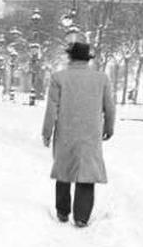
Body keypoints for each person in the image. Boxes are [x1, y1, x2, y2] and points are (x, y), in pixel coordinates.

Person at [41, 41, 115, 228]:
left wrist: (47, 132)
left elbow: (51, 109)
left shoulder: (59, 78)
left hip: (66, 131)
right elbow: (109, 107)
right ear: (87, 59)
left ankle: (62, 211)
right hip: (91, 133)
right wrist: (109, 127)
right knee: (87, 173)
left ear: (70, 57)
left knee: (63, 170)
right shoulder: (102, 79)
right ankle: (82, 217)